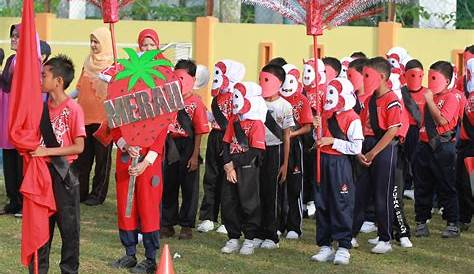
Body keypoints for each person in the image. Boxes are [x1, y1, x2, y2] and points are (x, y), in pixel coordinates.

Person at [29, 55, 84, 274]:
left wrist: (47, 151)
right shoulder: (38, 108)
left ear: (59, 81)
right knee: (40, 229)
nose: (40, 79)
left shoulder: (74, 109)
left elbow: (79, 146)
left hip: (64, 176)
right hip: (41, 176)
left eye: (44, 75)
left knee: (69, 231)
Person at [351, 57, 402, 254]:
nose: (363, 79)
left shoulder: (391, 100)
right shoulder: (371, 99)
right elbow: (363, 125)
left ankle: (385, 238)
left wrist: (373, 152)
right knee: (360, 193)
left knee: (383, 194)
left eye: (367, 75)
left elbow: (392, 131)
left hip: (384, 148)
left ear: (381, 77)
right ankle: (352, 234)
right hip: (368, 145)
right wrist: (360, 151)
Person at [311, 77, 363, 265]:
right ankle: (325, 245)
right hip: (321, 161)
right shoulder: (325, 114)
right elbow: (317, 139)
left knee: (341, 203)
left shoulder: (352, 118)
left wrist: (333, 141)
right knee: (322, 202)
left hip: (339, 164)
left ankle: (343, 246)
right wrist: (316, 128)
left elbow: (356, 147)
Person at [161, 59, 210, 240]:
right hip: (170, 145)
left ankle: (186, 225)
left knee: (189, 187)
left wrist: (195, 155)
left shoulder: (196, 102)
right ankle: (167, 223)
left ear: (193, 79)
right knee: (169, 184)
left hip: (188, 145)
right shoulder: (167, 98)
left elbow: (199, 131)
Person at [413, 61, 461, 238]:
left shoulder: (451, 97)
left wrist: (429, 100)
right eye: (429, 77)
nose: (430, 82)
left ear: (446, 80)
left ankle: (452, 223)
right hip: (424, 145)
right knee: (422, 185)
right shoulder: (430, 96)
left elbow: (442, 121)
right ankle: (421, 221)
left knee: (446, 185)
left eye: (435, 78)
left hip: (442, 146)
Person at [197, 60, 245, 234]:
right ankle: (208, 217)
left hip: (230, 139)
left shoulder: (236, 95)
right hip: (215, 136)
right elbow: (215, 118)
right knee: (211, 176)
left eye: (220, 73)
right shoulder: (217, 97)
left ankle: (228, 220)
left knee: (229, 180)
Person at [220, 81, 267, 255]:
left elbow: (255, 151)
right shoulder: (233, 120)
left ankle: (249, 238)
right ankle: (233, 236)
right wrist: (227, 165)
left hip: (247, 168)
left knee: (249, 202)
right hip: (230, 168)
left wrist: (234, 164)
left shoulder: (256, 124)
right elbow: (225, 143)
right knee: (229, 202)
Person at [254, 64, 293, 250]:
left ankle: (272, 234)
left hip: (275, 151)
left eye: (267, 80)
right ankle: (258, 231)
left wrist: (285, 163)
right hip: (257, 150)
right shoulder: (255, 102)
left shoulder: (285, 106)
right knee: (257, 192)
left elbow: (286, 136)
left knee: (272, 193)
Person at [74, 27, 114, 206]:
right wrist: (61, 98)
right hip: (83, 119)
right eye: (91, 41)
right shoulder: (87, 62)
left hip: (103, 121)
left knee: (102, 161)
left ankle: (97, 195)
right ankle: (80, 193)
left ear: (104, 42)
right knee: (82, 159)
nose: (93, 45)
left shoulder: (113, 65)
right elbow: (79, 88)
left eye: (96, 41)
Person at [278, 64, 312, 239]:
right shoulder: (274, 99)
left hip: (294, 146)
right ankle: (278, 223)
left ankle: (294, 225)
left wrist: (292, 133)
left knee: (294, 185)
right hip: (277, 144)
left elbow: (307, 126)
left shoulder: (302, 100)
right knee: (277, 184)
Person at [0, 24, 23, 216]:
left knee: (20, 160)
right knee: (8, 159)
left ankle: (23, 202)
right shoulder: (11, 60)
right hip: (8, 115)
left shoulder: (30, 62)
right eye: (12, 35)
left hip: (20, 118)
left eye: (17, 36)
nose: (13, 39)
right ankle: (13, 200)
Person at [457, 58, 474, 232]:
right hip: (465, 142)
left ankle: (465, 217)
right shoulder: (467, 93)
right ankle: (464, 217)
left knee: (468, 183)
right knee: (464, 183)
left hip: (470, 143)